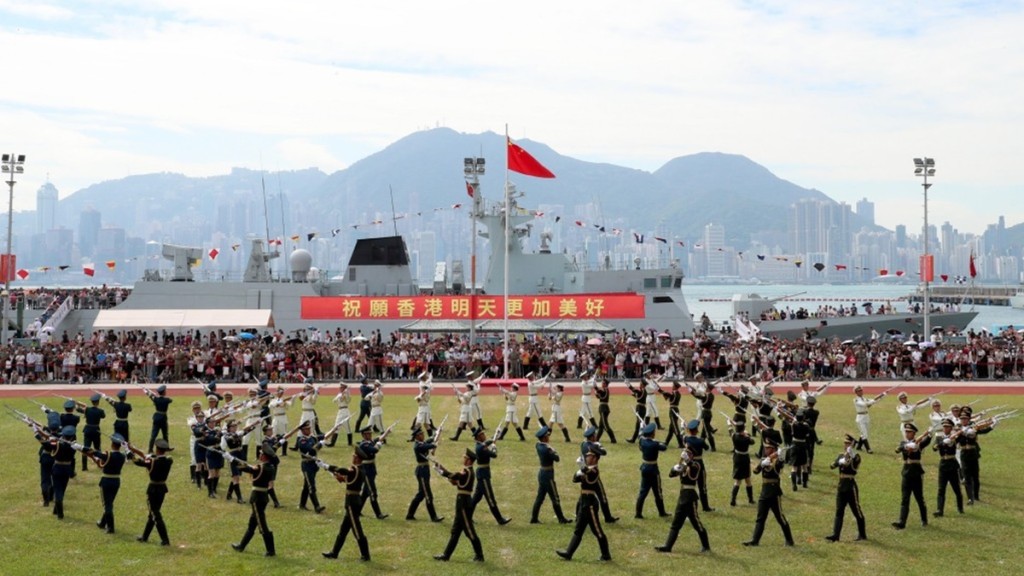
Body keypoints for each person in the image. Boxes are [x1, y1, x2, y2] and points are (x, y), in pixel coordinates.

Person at [557, 444, 612, 561]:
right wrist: (579, 472)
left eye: (589, 456)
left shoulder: (594, 470)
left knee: (597, 530)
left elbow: (589, 475)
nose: (587, 457)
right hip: (583, 502)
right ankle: (569, 553)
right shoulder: (587, 469)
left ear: (595, 458)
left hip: (591, 505)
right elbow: (574, 479)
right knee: (578, 530)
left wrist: (582, 467)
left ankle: (606, 554)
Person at [432, 449, 485, 562]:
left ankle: (479, 555)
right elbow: (455, 481)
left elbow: (453, 475)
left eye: (465, 458)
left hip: (464, 504)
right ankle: (446, 555)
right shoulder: (466, 472)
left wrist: (440, 469)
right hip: (461, 502)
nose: (463, 459)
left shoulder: (467, 472)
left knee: (469, 530)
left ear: (469, 460)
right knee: (455, 531)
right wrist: (441, 469)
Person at [655, 447, 711, 554]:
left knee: (696, 523)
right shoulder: (684, 466)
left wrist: (688, 461)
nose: (685, 454)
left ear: (692, 456)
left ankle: (706, 545)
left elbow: (693, 469)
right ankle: (668, 546)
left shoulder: (696, 465)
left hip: (690, 498)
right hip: (682, 497)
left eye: (688, 453)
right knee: (676, 522)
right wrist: (675, 468)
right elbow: (671, 475)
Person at [743, 438, 795, 547]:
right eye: (765, 448)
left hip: (774, 493)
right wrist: (762, 464)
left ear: (773, 449)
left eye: (768, 448)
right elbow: (755, 471)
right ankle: (755, 540)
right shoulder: (765, 459)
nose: (765, 450)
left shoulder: (777, 460)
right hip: (764, 492)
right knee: (760, 518)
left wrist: (780, 457)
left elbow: (780, 466)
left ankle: (789, 540)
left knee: (780, 517)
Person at [322, 447, 371, 561]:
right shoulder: (360, 470)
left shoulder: (355, 470)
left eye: (354, 456)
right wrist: (332, 472)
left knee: (356, 529)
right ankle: (334, 553)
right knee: (343, 529)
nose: (352, 457)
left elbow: (344, 471)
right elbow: (344, 478)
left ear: (358, 458)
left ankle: (365, 555)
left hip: (352, 503)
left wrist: (328, 466)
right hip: (353, 501)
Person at [230, 444, 278, 557]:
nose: (260, 455)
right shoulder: (270, 467)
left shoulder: (260, 468)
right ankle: (241, 546)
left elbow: (244, 468)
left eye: (261, 454)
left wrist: (231, 459)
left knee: (262, 525)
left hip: (257, 498)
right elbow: (252, 468)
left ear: (265, 457)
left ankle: (271, 551)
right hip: (263, 497)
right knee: (252, 524)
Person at [131, 438, 174, 546]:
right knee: (152, 514)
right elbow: (148, 457)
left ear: (156, 449)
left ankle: (165, 540)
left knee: (155, 514)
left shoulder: (152, 461)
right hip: (162, 488)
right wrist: (133, 449)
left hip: (153, 489)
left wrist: (129, 453)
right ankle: (144, 537)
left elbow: (137, 461)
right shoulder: (169, 460)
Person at [825, 434, 867, 542]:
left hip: (850, 486)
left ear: (852, 445)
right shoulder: (841, 456)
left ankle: (862, 534)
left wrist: (851, 456)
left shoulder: (856, 456)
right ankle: (836, 535)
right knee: (839, 511)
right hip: (841, 486)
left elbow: (854, 467)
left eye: (848, 443)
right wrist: (840, 461)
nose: (845, 445)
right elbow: (832, 466)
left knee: (856, 511)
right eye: (845, 443)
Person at [82, 433, 127, 533]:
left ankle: (110, 527)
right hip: (116, 481)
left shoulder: (107, 455)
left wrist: (79, 447)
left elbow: (94, 452)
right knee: (109, 503)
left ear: (112, 444)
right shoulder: (122, 456)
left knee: (107, 505)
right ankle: (102, 523)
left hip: (106, 481)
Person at [892, 423, 931, 530]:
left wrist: (929, 434)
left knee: (919, 498)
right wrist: (906, 446)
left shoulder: (919, 444)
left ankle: (924, 519)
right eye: (906, 432)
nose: (907, 433)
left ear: (914, 433)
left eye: (909, 432)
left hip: (916, 473)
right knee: (905, 499)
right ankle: (901, 522)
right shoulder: (903, 443)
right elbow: (898, 449)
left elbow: (926, 442)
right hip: (906, 473)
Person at [530, 426, 572, 524]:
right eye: (547, 436)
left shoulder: (538, 445)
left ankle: (534, 518)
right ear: (544, 438)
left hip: (542, 473)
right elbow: (557, 458)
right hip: (548, 475)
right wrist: (552, 449)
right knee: (555, 497)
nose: (549, 437)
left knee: (540, 497)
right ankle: (561, 518)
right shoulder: (547, 449)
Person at [471, 427, 511, 524]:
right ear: (479, 437)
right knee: (490, 498)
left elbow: (488, 442)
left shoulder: (481, 445)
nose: (484, 436)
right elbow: (494, 455)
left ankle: (466, 516)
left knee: (477, 497)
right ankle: (499, 519)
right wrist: (494, 446)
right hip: (483, 475)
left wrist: (495, 436)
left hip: (483, 473)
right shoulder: (480, 448)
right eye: (482, 435)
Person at [406, 426, 444, 522]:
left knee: (421, 494)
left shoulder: (422, 443)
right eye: (421, 434)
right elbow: (431, 445)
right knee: (428, 495)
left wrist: (437, 432)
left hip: (424, 470)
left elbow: (430, 439)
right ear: (417, 436)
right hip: (422, 471)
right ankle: (433, 517)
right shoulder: (418, 446)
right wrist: (435, 441)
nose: (423, 435)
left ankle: (410, 514)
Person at [580, 426, 617, 523]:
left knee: (583, 495)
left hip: (585, 472)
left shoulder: (583, 444)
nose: (596, 436)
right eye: (594, 435)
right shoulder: (594, 446)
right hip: (593, 473)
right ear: (592, 437)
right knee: (602, 495)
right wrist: (597, 445)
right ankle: (608, 517)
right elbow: (604, 452)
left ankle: (578, 517)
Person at [635, 422, 669, 519]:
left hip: (645, 467)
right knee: (658, 491)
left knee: (643, 492)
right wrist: (657, 442)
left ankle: (638, 513)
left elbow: (639, 435)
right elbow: (664, 447)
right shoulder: (655, 444)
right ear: (652, 434)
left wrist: (641, 427)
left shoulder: (642, 441)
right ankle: (662, 512)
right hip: (653, 469)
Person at [932, 418, 964, 517]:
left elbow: (962, 438)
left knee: (956, 489)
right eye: (944, 427)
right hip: (943, 464)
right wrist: (942, 443)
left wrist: (961, 430)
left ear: (951, 428)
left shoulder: (955, 437)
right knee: (941, 489)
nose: (945, 428)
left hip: (952, 464)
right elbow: (934, 448)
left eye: (947, 427)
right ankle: (939, 510)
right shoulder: (939, 437)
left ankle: (960, 507)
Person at [357, 425, 391, 519]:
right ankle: (378, 514)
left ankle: (357, 510)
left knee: (365, 493)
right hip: (366, 470)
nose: (370, 435)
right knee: (372, 492)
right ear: (363, 435)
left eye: (370, 433)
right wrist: (379, 444)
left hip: (371, 469)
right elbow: (375, 450)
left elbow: (379, 438)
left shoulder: (370, 442)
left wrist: (386, 432)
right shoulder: (364, 445)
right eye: (368, 434)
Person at [683, 419, 715, 512]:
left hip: (689, 463)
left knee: (690, 486)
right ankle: (705, 506)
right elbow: (707, 447)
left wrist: (684, 427)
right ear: (697, 430)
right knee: (702, 486)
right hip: (699, 464)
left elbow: (682, 435)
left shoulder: (686, 438)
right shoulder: (700, 441)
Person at [295, 420, 327, 513]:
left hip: (313, 464)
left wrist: (332, 431)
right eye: (306, 429)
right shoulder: (302, 441)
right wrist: (321, 443)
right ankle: (317, 506)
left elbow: (322, 438)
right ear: (302, 431)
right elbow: (312, 450)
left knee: (307, 485)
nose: (309, 430)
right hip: (307, 465)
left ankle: (302, 504)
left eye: (309, 428)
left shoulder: (312, 438)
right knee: (311, 486)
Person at [728, 419, 756, 506]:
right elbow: (753, 442)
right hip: (745, 458)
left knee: (737, 481)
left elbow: (730, 430)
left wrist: (729, 423)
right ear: (743, 429)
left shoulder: (734, 436)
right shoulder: (746, 438)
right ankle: (750, 499)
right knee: (748, 480)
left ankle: (733, 499)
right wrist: (747, 434)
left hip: (737, 457)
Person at [853, 385, 886, 453]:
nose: (861, 391)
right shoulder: (856, 400)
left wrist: (882, 396)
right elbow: (864, 404)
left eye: (861, 390)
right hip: (860, 417)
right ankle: (868, 449)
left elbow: (873, 401)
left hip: (866, 416)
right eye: (859, 391)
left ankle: (858, 447)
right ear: (856, 392)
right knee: (864, 434)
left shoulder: (865, 398)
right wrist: (874, 400)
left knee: (864, 433)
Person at [79, 394, 107, 472]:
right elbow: (103, 416)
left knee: (85, 448)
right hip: (96, 430)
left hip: (87, 429)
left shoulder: (87, 409)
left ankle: (84, 467)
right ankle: (100, 463)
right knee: (97, 448)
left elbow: (79, 409)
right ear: (98, 402)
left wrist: (78, 403)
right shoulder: (100, 411)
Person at [146, 385, 173, 453]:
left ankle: (150, 449)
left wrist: (154, 395)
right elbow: (171, 400)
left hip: (157, 417)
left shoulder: (156, 399)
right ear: (163, 392)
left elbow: (150, 396)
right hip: (163, 418)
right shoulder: (166, 399)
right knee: (165, 434)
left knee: (154, 434)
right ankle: (166, 447)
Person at [269, 386, 294, 454]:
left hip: (282, 417)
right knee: (274, 434)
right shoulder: (274, 400)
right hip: (275, 418)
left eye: (281, 392)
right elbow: (271, 405)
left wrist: (292, 399)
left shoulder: (285, 400)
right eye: (278, 391)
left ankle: (284, 452)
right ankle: (273, 449)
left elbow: (290, 405)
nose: (280, 393)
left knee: (283, 435)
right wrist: (281, 402)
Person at [624, 376, 648, 443]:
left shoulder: (642, 391)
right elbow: (640, 398)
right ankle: (635, 438)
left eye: (640, 383)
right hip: (640, 408)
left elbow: (634, 389)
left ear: (642, 385)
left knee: (639, 424)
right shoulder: (643, 391)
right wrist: (635, 395)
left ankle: (639, 438)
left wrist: (628, 384)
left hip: (640, 408)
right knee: (639, 424)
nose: (639, 384)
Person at [660, 380, 684, 447]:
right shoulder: (677, 393)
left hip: (673, 411)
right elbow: (667, 396)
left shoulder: (674, 394)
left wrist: (661, 391)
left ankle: (681, 443)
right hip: (675, 410)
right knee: (671, 428)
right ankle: (666, 442)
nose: (672, 386)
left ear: (675, 387)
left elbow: (667, 395)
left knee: (675, 427)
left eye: (673, 385)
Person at [328, 382, 352, 447]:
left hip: (345, 411)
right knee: (338, 427)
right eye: (340, 387)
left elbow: (348, 401)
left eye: (341, 387)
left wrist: (346, 393)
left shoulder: (347, 394)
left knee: (345, 427)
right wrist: (340, 395)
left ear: (344, 388)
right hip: (340, 411)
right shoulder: (339, 394)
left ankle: (349, 442)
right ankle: (332, 443)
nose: (340, 388)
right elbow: (334, 401)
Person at [595, 377, 616, 443]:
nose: (602, 384)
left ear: (606, 384)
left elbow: (600, 393)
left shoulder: (605, 390)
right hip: (603, 407)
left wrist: (595, 386)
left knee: (605, 425)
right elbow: (600, 396)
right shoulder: (605, 390)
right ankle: (597, 439)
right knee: (601, 426)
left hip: (603, 408)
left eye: (603, 383)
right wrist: (597, 393)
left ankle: (613, 439)